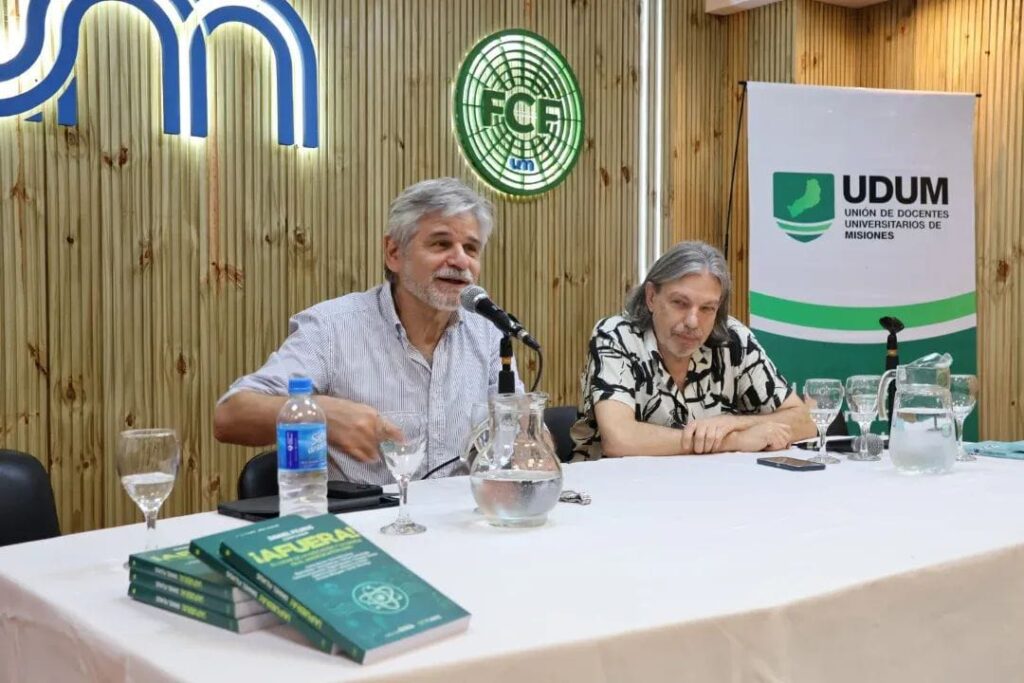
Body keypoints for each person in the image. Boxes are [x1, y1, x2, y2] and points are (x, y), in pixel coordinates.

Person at [213, 178, 520, 484]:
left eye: (471, 249)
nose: (461, 260)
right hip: (366, 512)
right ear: (394, 253)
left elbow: (516, 434)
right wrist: (320, 413)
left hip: (466, 511)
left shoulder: (489, 333)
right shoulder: (332, 328)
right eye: (441, 243)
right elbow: (229, 416)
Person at [571, 240, 817, 459]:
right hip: (614, 488)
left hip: (708, 486)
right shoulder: (616, 336)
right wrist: (735, 440)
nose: (692, 321)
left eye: (707, 308)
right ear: (651, 297)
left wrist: (732, 424)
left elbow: (806, 421)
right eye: (680, 303)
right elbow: (619, 439)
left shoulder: (733, 340)